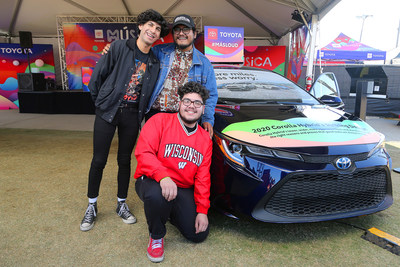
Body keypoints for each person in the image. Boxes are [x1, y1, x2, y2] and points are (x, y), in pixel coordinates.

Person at [80, 9, 169, 232]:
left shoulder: (154, 62)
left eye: (157, 29)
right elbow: (97, 78)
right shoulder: (119, 47)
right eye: (150, 25)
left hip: (131, 115)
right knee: (98, 160)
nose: (153, 30)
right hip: (107, 111)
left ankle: (121, 204)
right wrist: (102, 103)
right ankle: (92, 205)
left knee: (124, 160)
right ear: (140, 26)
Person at [103, 14, 218, 138]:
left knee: (177, 155)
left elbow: (210, 95)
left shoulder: (204, 63)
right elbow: (138, 51)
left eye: (186, 29)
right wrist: (114, 48)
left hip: (184, 119)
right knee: (152, 153)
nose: (181, 33)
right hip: (155, 115)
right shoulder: (159, 51)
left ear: (194, 34)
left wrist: (207, 119)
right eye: (177, 30)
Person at [134, 81, 212, 263]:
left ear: (203, 108)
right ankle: (156, 236)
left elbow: (203, 177)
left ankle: (166, 212)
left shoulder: (204, 140)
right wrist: (163, 176)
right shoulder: (159, 121)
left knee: (198, 234)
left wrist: (202, 210)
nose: (191, 106)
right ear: (179, 103)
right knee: (157, 196)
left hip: (182, 187)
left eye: (197, 103)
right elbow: (143, 152)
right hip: (152, 181)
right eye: (187, 101)